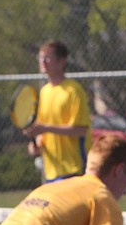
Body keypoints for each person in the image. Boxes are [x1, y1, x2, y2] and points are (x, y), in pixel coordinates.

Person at [23, 40, 91, 182]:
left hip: (74, 169)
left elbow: (80, 130)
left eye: (48, 57)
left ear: (61, 62)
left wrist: (45, 128)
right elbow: (42, 129)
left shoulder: (74, 91)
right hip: (51, 172)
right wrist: (37, 145)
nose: (43, 61)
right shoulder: (44, 92)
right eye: (41, 57)